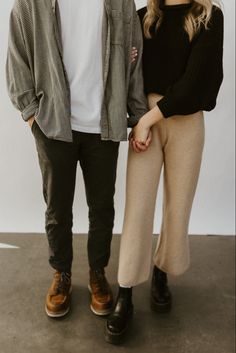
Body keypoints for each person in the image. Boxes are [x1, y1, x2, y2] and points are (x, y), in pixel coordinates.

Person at [6, 0, 148, 318]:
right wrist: (32, 116)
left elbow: (134, 61)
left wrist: (138, 115)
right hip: (55, 125)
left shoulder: (121, 3)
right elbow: (17, 57)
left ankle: (98, 272)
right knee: (58, 208)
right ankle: (62, 275)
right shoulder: (31, 3)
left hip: (104, 124)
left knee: (102, 207)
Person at [105, 0, 224, 344]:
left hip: (182, 121)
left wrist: (146, 122)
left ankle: (162, 270)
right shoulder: (143, 17)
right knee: (138, 208)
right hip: (145, 119)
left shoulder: (209, 16)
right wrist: (126, 66)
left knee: (178, 206)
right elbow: (124, 76)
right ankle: (125, 290)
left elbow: (196, 83)